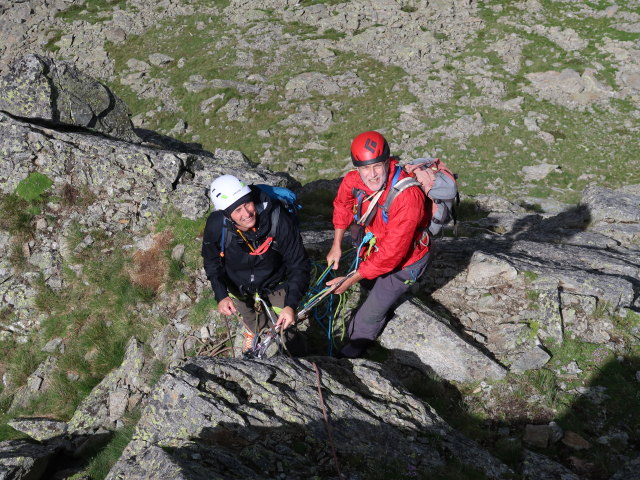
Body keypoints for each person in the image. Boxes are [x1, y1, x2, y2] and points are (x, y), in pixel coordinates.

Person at [325, 131, 432, 358]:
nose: (371, 175)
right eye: (365, 168)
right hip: (375, 248)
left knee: (365, 317)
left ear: (387, 162)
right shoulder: (355, 179)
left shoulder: (408, 196)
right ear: (357, 168)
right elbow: (342, 206)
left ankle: (353, 350)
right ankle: (379, 297)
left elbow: (393, 254)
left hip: (406, 263)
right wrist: (336, 244)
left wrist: (351, 278)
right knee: (369, 284)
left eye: (377, 166)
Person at [202, 174, 310, 354]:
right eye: (237, 210)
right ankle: (253, 330)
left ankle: (299, 357)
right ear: (227, 215)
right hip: (239, 285)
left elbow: (298, 264)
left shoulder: (277, 218)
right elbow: (211, 261)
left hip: (275, 282)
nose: (246, 214)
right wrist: (221, 295)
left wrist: (290, 305)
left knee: (287, 329)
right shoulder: (216, 225)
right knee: (249, 316)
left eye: (247, 204)